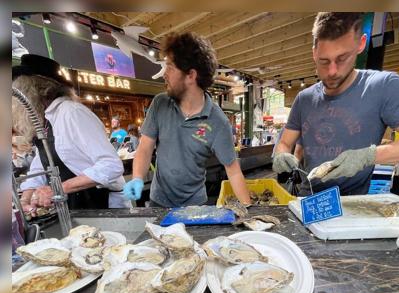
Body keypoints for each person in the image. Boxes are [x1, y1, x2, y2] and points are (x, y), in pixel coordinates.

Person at [272, 12, 399, 196]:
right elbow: (285, 142)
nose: (332, 71)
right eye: (324, 61)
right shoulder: (304, 98)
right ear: (314, 53)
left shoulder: (383, 86)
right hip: (307, 200)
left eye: (342, 58)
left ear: (361, 44)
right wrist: (281, 154)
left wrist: (367, 156)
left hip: (352, 208)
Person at [123, 32, 251, 207]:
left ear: (191, 75)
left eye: (170, 67)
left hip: (195, 206)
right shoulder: (160, 104)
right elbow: (145, 148)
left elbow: (234, 171)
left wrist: (249, 211)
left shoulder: (218, 121)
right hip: (158, 202)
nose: (164, 74)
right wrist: (137, 177)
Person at [12, 54, 130, 213]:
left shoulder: (71, 113)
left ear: (32, 90)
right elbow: (42, 164)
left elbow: (111, 165)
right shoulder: (46, 122)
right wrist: (26, 198)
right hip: (76, 203)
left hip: (102, 202)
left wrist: (57, 188)